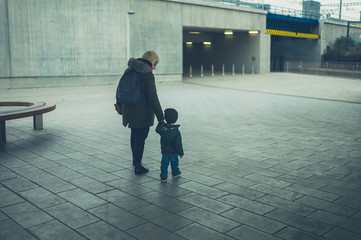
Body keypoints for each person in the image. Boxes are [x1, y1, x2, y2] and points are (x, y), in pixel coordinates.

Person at [115, 51, 164, 175]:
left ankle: (135, 160)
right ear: (151, 62)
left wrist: (119, 105)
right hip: (142, 112)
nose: (155, 67)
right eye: (155, 63)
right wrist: (161, 117)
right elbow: (153, 97)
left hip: (129, 109)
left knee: (134, 135)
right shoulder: (147, 74)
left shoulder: (129, 70)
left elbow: (121, 88)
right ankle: (138, 165)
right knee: (141, 138)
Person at [156, 108, 184, 182]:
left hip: (164, 151)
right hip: (173, 152)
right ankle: (175, 173)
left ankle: (163, 176)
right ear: (175, 120)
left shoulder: (163, 129)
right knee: (174, 162)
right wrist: (181, 153)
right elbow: (178, 144)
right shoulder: (176, 132)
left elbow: (157, 129)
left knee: (164, 164)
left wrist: (161, 122)